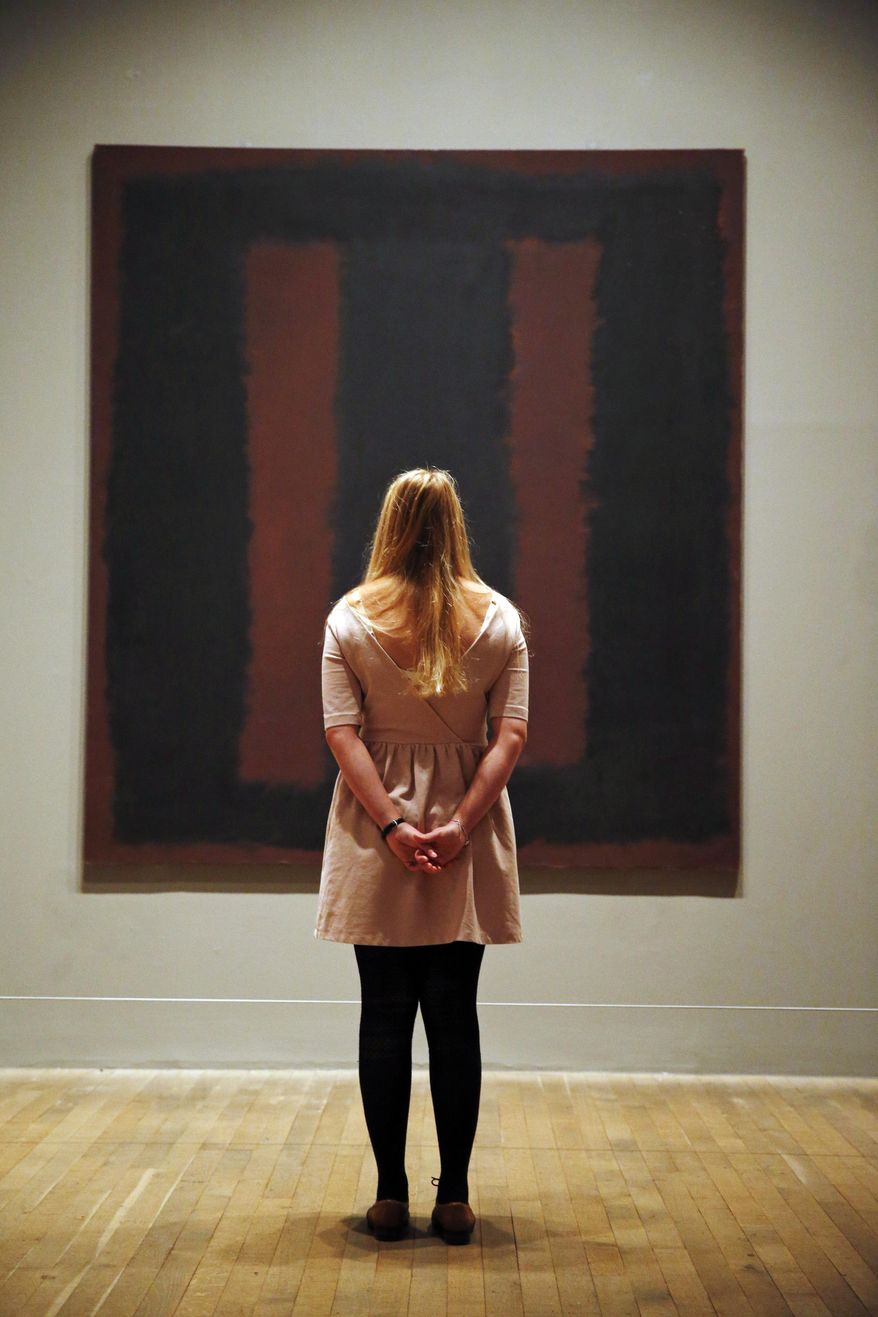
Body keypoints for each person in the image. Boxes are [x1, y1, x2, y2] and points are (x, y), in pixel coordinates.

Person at [314, 466, 529, 1245]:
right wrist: (460, 823)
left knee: (382, 1013)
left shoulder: (350, 618)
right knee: (454, 1014)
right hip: (465, 832)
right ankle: (457, 1196)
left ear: (389, 525)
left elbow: (343, 733)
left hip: (378, 831)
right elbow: (510, 735)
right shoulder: (499, 619)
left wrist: (393, 824)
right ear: (458, 524)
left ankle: (389, 1193)